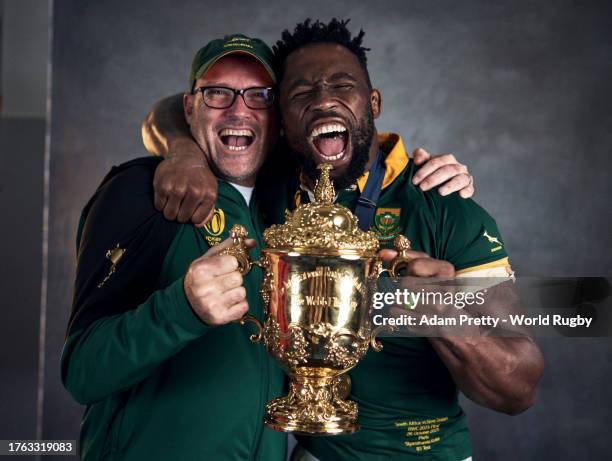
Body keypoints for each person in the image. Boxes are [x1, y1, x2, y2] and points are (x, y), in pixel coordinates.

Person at [145, 19, 544, 461]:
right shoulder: (274, 179)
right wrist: (184, 153)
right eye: (300, 94)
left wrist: (443, 314)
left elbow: (519, 388)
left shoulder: (442, 205)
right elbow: (170, 111)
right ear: (282, 118)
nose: (324, 100)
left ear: (373, 102)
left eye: (342, 85)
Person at [61, 35, 288, 461]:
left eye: (260, 96)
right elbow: (82, 371)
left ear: (277, 115)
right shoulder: (138, 193)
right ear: (189, 108)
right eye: (217, 92)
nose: (239, 109)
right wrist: (180, 309)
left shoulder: (286, 205)